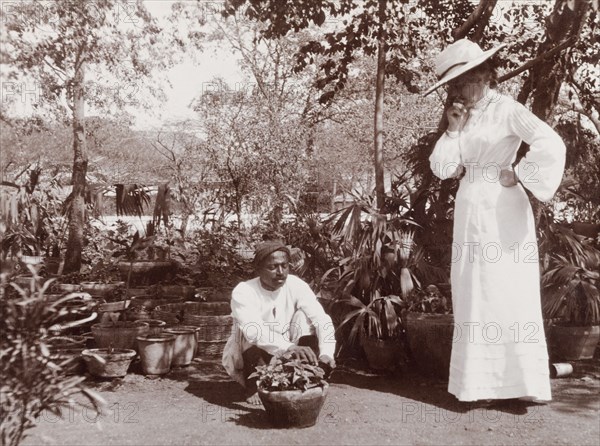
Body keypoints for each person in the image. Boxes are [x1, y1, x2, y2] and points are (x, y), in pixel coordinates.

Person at [424, 39, 566, 404]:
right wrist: (454, 129)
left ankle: (522, 385)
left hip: (503, 207)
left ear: (484, 75)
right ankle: (479, 386)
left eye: (463, 82)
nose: (458, 91)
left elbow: (551, 143)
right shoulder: (462, 115)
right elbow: (443, 169)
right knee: (474, 290)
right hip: (470, 206)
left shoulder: (508, 109)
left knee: (509, 289)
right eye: (453, 85)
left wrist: (519, 173)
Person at [222, 240, 336, 404]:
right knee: (246, 331)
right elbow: (255, 333)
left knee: (304, 317)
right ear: (258, 269)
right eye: (273, 267)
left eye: (285, 265)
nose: (280, 272)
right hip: (256, 351)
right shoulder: (244, 291)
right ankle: (254, 384)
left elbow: (321, 319)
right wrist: (289, 347)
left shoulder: (296, 284)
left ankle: (305, 374)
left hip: (289, 347)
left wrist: (327, 352)